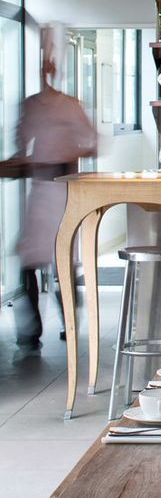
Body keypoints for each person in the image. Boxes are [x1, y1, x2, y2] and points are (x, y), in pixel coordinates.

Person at [0, 26, 96, 346]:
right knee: (28, 259)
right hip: (39, 190)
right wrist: (18, 164)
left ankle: (70, 322)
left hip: (64, 189)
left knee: (63, 260)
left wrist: (65, 154)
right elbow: (19, 147)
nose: (47, 67)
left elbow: (92, 143)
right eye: (43, 60)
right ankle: (30, 330)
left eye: (51, 60)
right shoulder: (29, 106)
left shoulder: (70, 105)